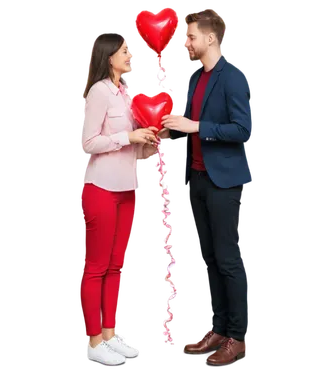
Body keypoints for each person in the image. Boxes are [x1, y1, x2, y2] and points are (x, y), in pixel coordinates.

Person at [160, 8, 253, 367]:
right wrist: (172, 132)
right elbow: (190, 128)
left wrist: (195, 126)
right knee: (210, 259)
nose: (186, 43)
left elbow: (242, 130)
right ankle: (217, 329)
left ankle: (238, 337)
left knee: (229, 261)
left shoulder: (232, 78)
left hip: (224, 183)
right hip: (197, 179)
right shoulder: (196, 78)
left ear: (211, 38)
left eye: (191, 37)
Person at [78, 31, 168, 367]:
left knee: (116, 267)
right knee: (96, 268)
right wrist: (126, 135)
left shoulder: (125, 94)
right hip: (100, 190)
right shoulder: (100, 92)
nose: (131, 54)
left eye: (131, 49)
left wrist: (148, 141)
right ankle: (93, 340)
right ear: (108, 55)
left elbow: (132, 150)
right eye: (125, 50)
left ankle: (110, 335)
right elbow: (88, 143)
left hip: (127, 191)